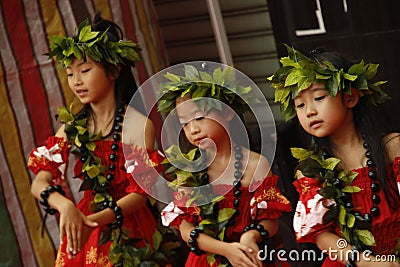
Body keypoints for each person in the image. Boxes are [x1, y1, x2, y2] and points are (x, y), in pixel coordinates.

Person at [28, 14, 166, 266]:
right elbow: (39, 182)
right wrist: (65, 206)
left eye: (85, 70)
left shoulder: (137, 124)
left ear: (113, 71)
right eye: (70, 74)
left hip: (128, 228)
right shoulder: (74, 126)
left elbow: (140, 194)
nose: (76, 81)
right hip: (85, 224)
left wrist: (94, 220)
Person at [268, 44, 400, 266]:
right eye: (300, 104)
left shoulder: (391, 147)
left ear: (350, 98)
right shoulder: (310, 169)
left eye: (318, 98)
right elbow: (322, 235)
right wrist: (359, 259)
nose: (309, 110)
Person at [158, 63, 292, 266]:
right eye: (184, 123)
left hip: (249, 256)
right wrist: (226, 250)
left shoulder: (255, 164)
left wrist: (251, 237)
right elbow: (186, 230)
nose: (192, 129)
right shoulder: (188, 171)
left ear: (228, 112)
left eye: (199, 118)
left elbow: (270, 220)